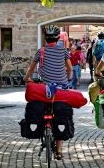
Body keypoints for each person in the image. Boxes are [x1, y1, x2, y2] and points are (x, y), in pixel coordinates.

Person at [23, 25, 73, 160]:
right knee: (60, 114)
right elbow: (69, 68)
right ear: (58, 38)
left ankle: (41, 129)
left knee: (41, 106)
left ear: (45, 38)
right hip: (60, 89)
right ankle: (59, 151)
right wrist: (67, 79)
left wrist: (26, 79)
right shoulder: (63, 51)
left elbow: (31, 68)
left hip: (44, 89)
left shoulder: (41, 51)